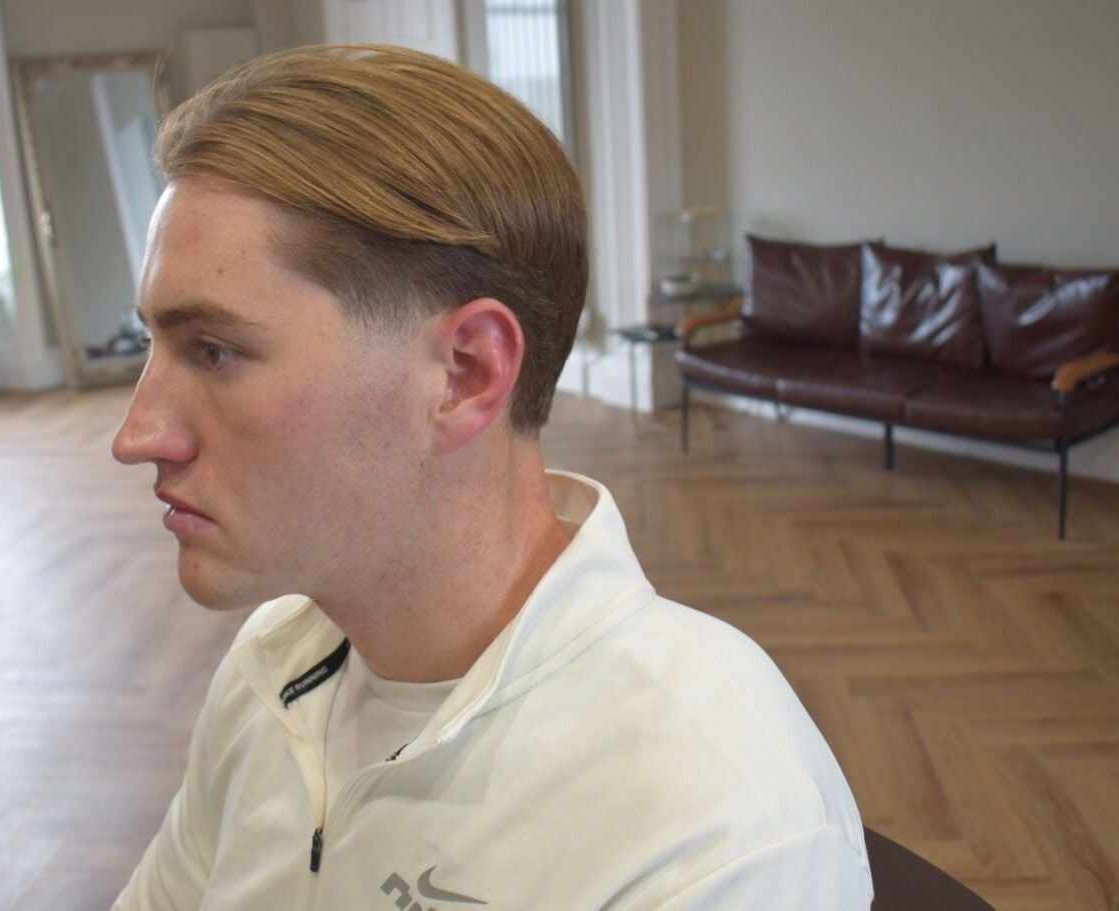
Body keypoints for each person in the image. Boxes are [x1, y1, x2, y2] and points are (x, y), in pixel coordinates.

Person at [110, 43, 873, 910]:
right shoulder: (272, 664)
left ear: (465, 374)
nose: (137, 435)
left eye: (215, 349)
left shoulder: (711, 818)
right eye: (152, 341)